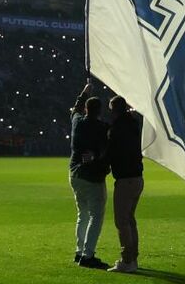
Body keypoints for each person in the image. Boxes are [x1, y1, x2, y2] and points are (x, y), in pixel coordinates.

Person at [69, 81, 109, 269]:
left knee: (82, 213)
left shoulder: (77, 121)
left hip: (75, 173)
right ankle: (88, 254)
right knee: (96, 216)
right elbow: (105, 149)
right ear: (99, 110)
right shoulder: (101, 127)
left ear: (86, 109)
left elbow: (75, 109)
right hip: (92, 176)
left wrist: (84, 91)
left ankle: (79, 251)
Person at [106, 96, 144, 274]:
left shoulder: (117, 129)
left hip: (125, 179)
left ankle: (127, 260)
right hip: (137, 177)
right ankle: (133, 258)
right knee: (130, 220)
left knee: (122, 221)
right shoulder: (134, 124)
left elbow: (112, 153)